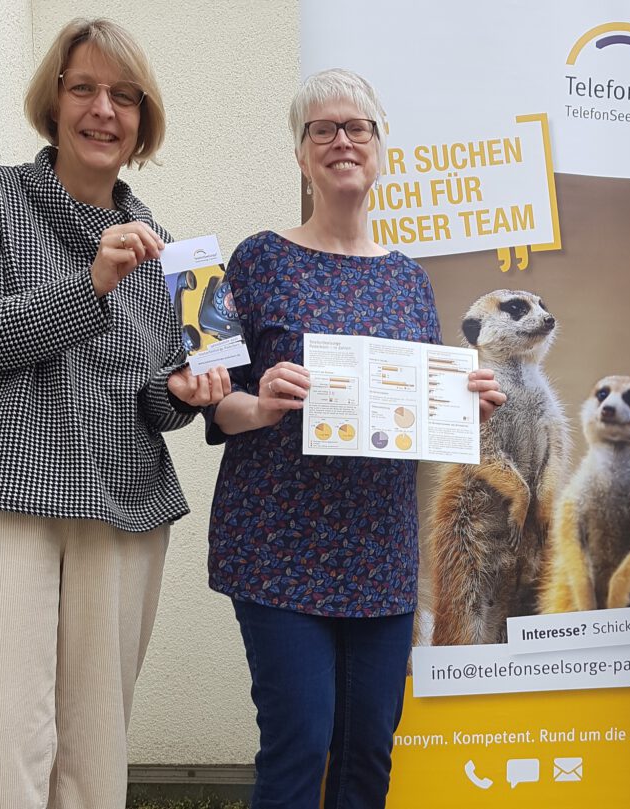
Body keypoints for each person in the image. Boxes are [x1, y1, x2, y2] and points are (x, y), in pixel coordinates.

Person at [0, 18, 229, 809]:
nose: (104, 110)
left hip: (120, 508)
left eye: (125, 97)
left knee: (93, 764)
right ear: (52, 102)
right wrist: (89, 282)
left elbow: (153, 392)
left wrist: (184, 395)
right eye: (84, 88)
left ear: (142, 122)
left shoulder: (165, 247)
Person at [205, 68, 505, 809]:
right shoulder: (256, 259)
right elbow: (214, 406)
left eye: (357, 127)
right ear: (302, 155)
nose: (342, 140)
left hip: (380, 555)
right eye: (322, 129)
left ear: (379, 148)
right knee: (298, 748)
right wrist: (260, 402)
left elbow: (421, 414)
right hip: (277, 547)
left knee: (369, 756)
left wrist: (469, 409)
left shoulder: (409, 281)